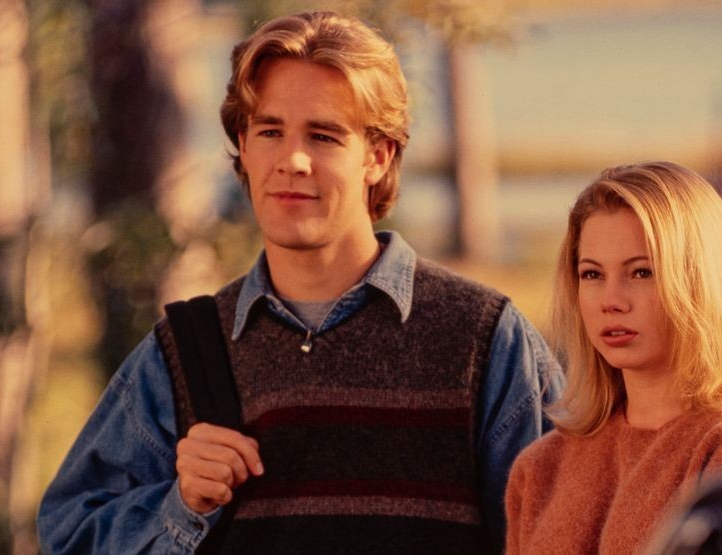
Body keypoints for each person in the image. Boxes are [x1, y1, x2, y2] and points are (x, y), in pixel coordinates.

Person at [38, 11, 562, 554]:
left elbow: (567, 532)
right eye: (270, 131)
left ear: (377, 156)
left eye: (323, 136)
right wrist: (183, 507)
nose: (292, 160)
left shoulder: (482, 340)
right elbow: (69, 536)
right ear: (244, 146)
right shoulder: (185, 353)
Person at [504, 161, 722, 554]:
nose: (611, 300)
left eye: (642, 272)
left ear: (702, 283)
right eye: (592, 274)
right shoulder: (540, 467)